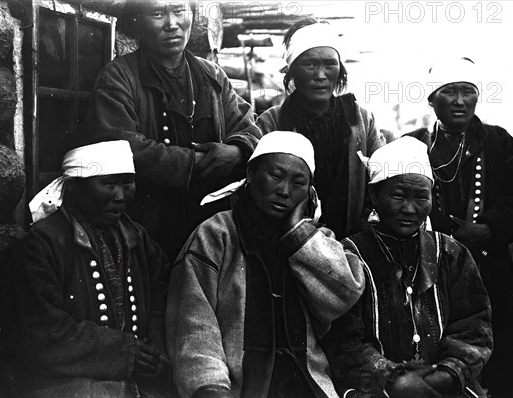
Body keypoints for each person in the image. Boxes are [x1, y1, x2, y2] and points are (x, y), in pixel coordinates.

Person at [166, 131, 365, 397]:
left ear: (310, 191)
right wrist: (210, 386)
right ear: (250, 174)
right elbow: (193, 324)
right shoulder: (216, 234)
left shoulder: (315, 242)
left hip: (307, 383)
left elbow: (344, 294)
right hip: (237, 387)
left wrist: (297, 231)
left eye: (298, 182)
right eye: (275, 176)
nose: (284, 191)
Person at [405, 57, 513, 398]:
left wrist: (488, 229)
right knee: (434, 347)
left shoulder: (498, 143)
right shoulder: (413, 146)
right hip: (427, 270)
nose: (460, 100)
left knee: (500, 348)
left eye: (468, 92)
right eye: (450, 91)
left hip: (489, 267)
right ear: (431, 98)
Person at [84, 1, 261, 259]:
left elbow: (249, 129)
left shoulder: (212, 76)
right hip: (147, 226)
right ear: (139, 21)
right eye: (157, 14)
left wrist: (235, 152)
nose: (172, 24)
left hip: (211, 226)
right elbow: (120, 145)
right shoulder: (119, 77)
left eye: (179, 11)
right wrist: (194, 163)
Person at [325, 137, 493, 398]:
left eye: (421, 197)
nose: (409, 209)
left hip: (445, 387)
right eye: (398, 195)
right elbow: (343, 342)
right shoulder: (349, 255)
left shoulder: (450, 253)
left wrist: (446, 374)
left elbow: (474, 326)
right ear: (374, 196)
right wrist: (393, 378)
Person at [7, 139, 171, 397]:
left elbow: (164, 297)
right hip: (67, 385)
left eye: (127, 183)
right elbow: (43, 331)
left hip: (140, 381)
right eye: (108, 184)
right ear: (74, 188)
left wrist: (157, 349)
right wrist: (125, 352)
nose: (119, 196)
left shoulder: (137, 237)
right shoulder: (43, 243)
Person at [256, 18, 385, 240]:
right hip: (285, 240)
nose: (321, 75)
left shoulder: (361, 120)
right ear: (293, 70)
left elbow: (381, 179)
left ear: (340, 69)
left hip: (351, 242)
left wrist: (364, 233)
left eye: (329, 64)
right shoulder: (273, 121)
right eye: (310, 65)